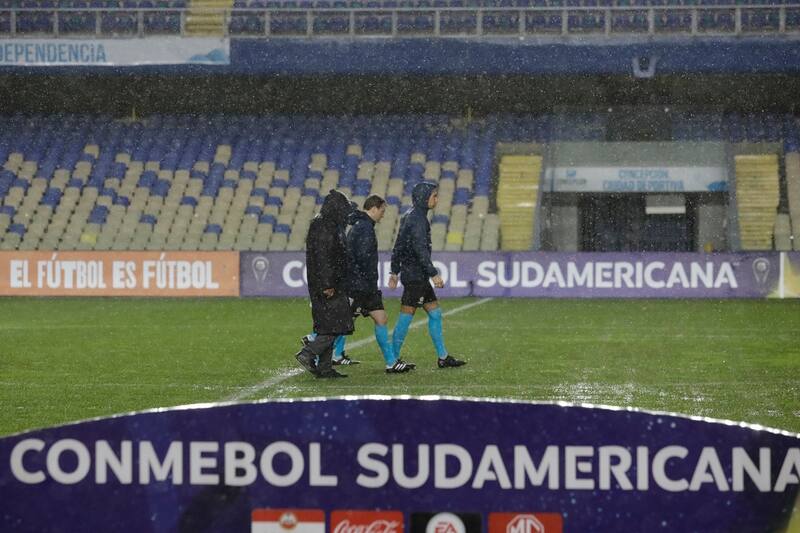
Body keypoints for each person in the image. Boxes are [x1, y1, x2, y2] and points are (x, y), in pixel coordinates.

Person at [388, 181, 466, 369]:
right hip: (416, 276)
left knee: (435, 313)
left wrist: (395, 270)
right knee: (406, 316)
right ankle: (392, 360)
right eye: (434, 196)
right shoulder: (418, 219)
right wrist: (433, 273)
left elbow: (398, 245)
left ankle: (443, 357)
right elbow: (419, 249)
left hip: (415, 275)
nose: (436, 199)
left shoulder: (410, 215)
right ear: (424, 198)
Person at [347, 195, 415, 373]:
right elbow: (362, 258)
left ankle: (391, 362)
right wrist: (363, 281)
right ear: (373, 208)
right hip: (360, 286)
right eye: (382, 211)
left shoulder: (361, 225)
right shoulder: (364, 227)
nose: (383, 215)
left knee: (380, 318)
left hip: (364, 285)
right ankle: (314, 346)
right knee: (340, 323)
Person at [294, 189, 354, 378]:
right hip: (328, 285)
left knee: (327, 326)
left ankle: (325, 367)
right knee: (336, 325)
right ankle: (308, 353)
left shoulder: (324, 224)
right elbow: (324, 259)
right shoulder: (325, 227)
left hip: (328, 283)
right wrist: (328, 284)